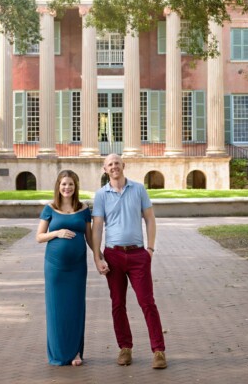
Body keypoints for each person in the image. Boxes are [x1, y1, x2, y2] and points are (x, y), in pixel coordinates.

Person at [92, 154, 167, 369]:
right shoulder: (101, 195)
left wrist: (150, 249)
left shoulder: (138, 189)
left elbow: (150, 219)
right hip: (113, 255)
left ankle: (159, 351)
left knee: (147, 302)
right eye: (110, 164)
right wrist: (97, 257)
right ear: (105, 169)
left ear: (123, 166)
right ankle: (125, 348)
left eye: (117, 163)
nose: (114, 167)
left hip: (138, 255)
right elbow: (97, 227)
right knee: (118, 305)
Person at [36, 170, 92, 366]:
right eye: (63, 184)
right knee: (56, 309)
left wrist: (100, 257)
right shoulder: (50, 208)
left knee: (76, 307)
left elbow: (90, 237)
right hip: (55, 268)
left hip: (77, 268)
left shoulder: (84, 209)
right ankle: (59, 354)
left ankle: (76, 352)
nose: (67, 188)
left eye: (70, 184)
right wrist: (57, 232)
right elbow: (39, 236)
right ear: (58, 186)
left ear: (75, 187)